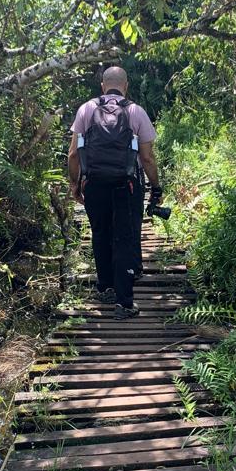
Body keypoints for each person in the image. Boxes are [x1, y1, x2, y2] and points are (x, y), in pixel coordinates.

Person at [68, 66, 163, 319]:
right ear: (126, 85)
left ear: (102, 85)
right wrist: (156, 187)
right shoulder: (135, 111)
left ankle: (106, 287)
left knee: (100, 234)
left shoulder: (86, 109)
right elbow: (147, 157)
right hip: (127, 185)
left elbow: (73, 154)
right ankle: (124, 303)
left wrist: (75, 184)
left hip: (94, 184)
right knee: (124, 238)